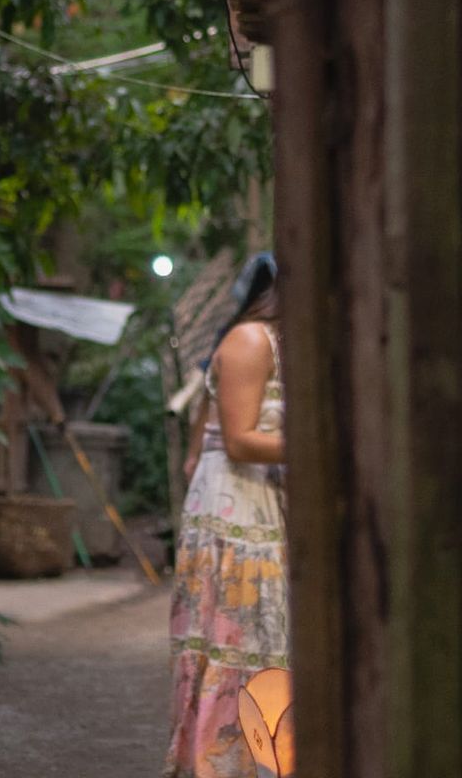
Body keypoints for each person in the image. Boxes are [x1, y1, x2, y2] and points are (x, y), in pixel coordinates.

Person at [165, 252, 287, 778]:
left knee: (270, 641)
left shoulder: (285, 345)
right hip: (236, 504)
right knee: (241, 641)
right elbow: (238, 440)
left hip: (267, 502)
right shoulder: (250, 339)